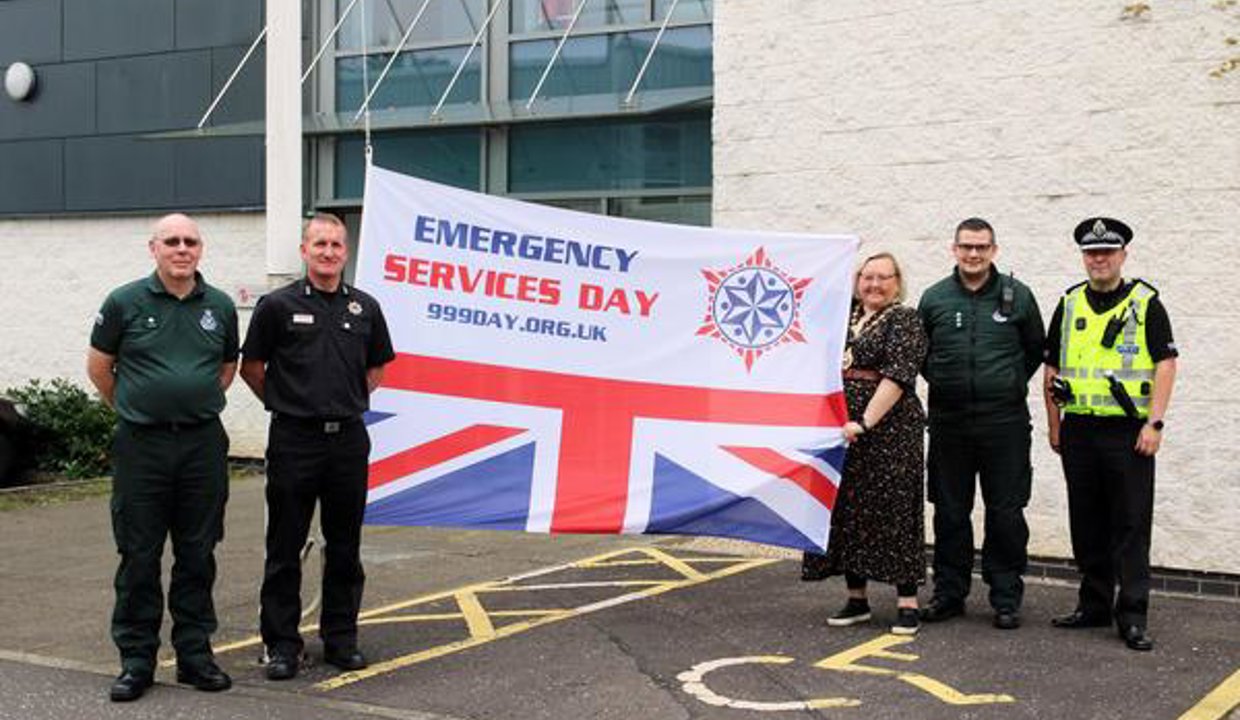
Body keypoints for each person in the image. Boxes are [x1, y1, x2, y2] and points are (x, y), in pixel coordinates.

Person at [87, 214, 238, 702]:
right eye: (171, 241)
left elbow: (226, 367)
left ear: (200, 249)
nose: (181, 249)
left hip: (201, 446)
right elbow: (100, 367)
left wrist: (186, 403)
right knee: (139, 555)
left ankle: (195, 656)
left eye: (190, 241)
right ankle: (137, 661)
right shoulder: (123, 301)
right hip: (142, 447)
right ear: (153, 248)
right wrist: (137, 406)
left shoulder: (218, 306)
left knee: (198, 554)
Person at [240, 213, 395, 680]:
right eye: (320, 244)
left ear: (345, 252)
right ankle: (283, 645)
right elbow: (253, 367)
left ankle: (341, 639)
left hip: (347, 440)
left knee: (345, 546)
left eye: (336, 245)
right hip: (294, 439)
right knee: (285, 546)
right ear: (304, 250)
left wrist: (343, 400)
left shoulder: (364, 308)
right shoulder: (277, 306)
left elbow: (377, 368)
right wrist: (286, 402)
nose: (328, 252)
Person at [1043, 217, 1177, 652]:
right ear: (1083, 256)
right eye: (1091, 252)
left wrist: (1154, 423)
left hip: (1128, 432)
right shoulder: (1069, 303)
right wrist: (1054, 423)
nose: (1099, 259)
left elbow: (1166, 364)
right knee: (1088, 522)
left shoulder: (1145, 302)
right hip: (1079, 429)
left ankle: (1132, 615)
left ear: (1123, 255)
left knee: (1130, 523)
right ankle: (1094, 605)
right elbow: (1052, 368)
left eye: (1107, 252)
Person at [917, 218, 1044, 630]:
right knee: (950, 512)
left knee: (1006, 512)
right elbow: (922, 356)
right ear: (954, 249)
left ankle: (1005, 597)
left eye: (982, 247)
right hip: (949, 424)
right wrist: (952, 386)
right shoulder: (934, 298)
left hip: (1004, 424)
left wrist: (1002, 385)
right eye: (967, 247)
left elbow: (1034, 351)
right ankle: (949, 594)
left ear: (994, 250)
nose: (974, 254)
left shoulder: (1019, 297)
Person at [817, 252, 928, 635]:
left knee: (895, 509)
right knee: (849, 509)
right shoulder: (841, 315)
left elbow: (897, 376)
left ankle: (907, 603)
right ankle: (856, 598)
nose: (874, 284)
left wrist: (864, 422)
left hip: (891, 431)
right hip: (841, 429)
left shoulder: (905, 319)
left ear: (897, 282)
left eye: (883, 277)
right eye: (867, 277)